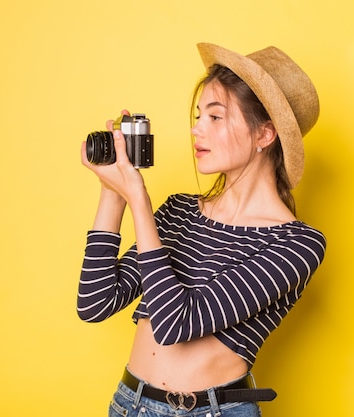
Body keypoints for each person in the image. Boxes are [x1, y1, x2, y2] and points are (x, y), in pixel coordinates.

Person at [77, 42, 326, 417]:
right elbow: (95, 303)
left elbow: (175, 323)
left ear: (265, 135)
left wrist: (139, 200)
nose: (196, 130)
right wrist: (113, 193)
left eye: (215, 117)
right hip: (129, 405)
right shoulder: (179, 211)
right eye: (197, 117)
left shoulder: (296, 244)